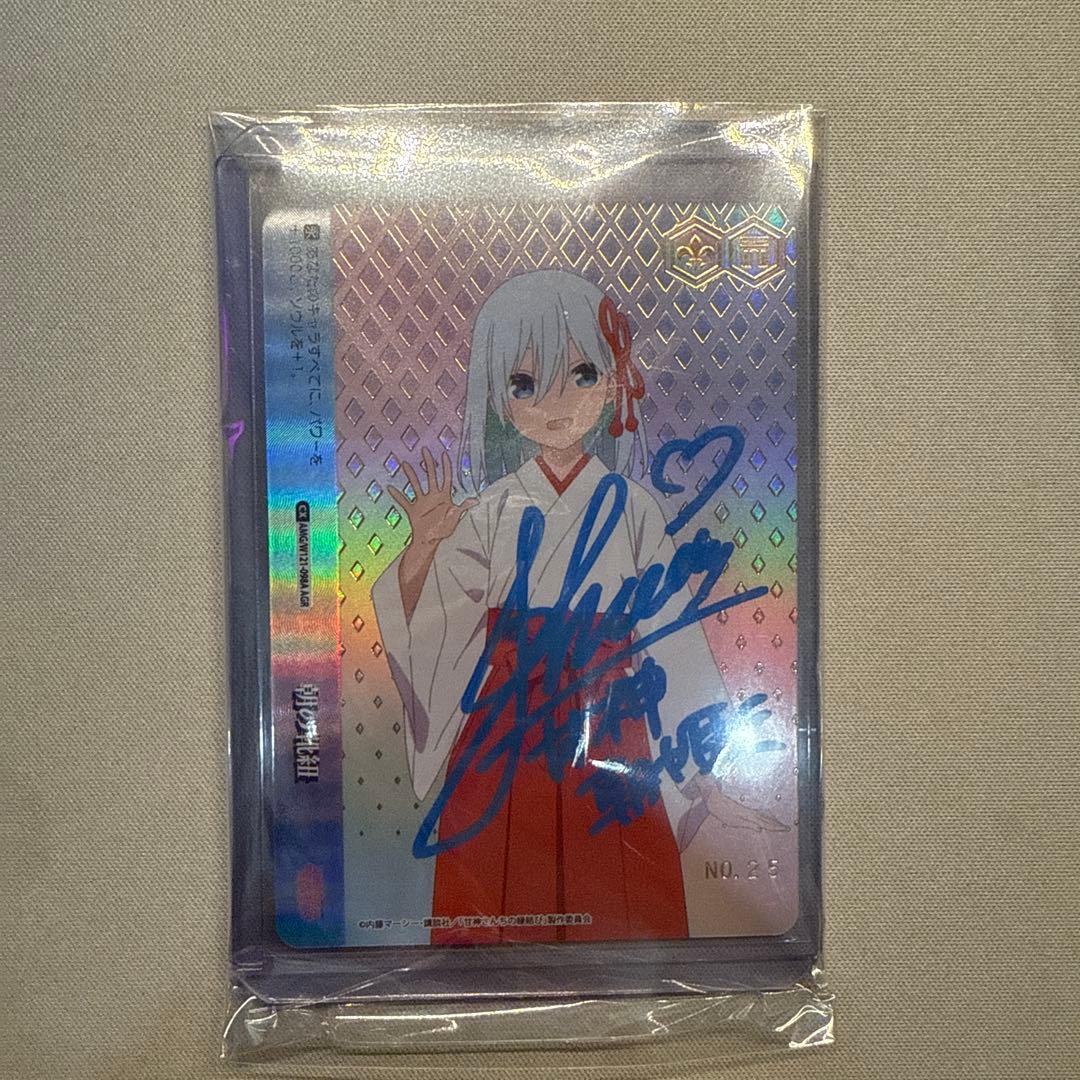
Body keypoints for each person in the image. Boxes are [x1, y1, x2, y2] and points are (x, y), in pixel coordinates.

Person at [372, 270, 779, 944]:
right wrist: (422, 551)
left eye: (582, 375)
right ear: (499, 398)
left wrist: (706, 774)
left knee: (617, 898)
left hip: (611, 720)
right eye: (525, 384)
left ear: (614, 383)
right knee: (499, 889)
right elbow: (436, 624)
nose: (555, 402)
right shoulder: (490, 510)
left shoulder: (635, 508)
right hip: (506, 725)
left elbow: (672, 638)